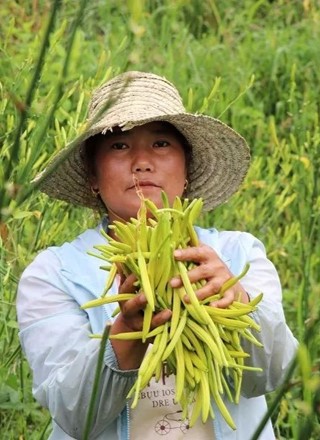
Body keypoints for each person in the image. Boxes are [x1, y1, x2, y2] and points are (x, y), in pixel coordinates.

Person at [17, 71, 298, 440]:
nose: (142, 162)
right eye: (118, 146)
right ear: (93, 176)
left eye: (161, 143)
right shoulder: (54, 273)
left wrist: (236, 301)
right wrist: (125, 336)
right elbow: (71, 411)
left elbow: (274, 372)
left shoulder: (236, 254)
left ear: (187, 171)